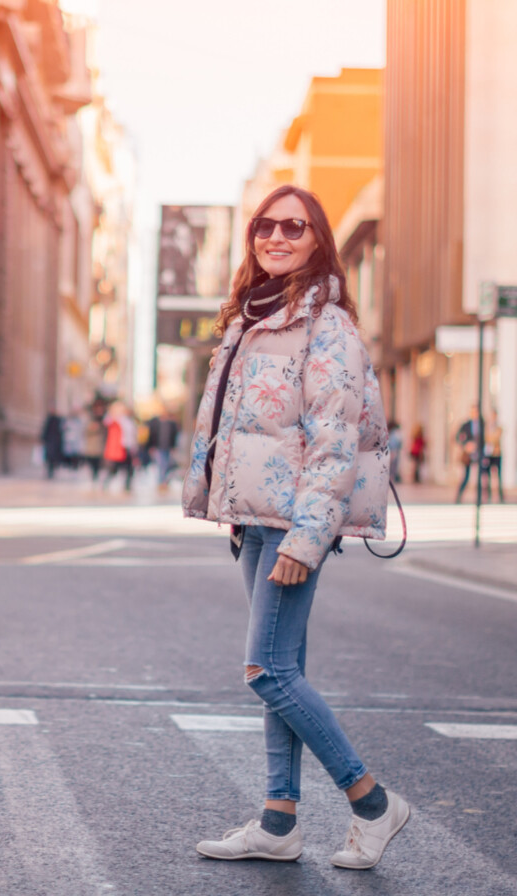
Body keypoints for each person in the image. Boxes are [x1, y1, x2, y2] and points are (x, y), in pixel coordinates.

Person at [182, 184, 408, 871]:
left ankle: (373, 803)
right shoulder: (255, 316)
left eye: (294, 227)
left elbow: (334, 442)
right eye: (265, 226)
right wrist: (235, 507)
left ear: (318, 242)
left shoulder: (326, 326)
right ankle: (280, 821)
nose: (276, 237)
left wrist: (306, 541)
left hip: (294, 524)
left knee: (267, 670)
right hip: (258, 520)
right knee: (286, 668)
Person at [101, 401, 136, 492]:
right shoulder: (114, 420)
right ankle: (106, 483)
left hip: (127, 447)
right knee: (114, 468)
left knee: (129, 468)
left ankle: (127, 486)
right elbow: (106, 421)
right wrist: (113, 412)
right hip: (119, 448)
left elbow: (131, 434)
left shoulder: (128, 420)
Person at [453, 406, 482, 503]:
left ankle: (481, 498)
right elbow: (457, 437)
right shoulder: (465, 425)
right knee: (466, 476)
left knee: (482, 475)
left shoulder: (482, 424)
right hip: (468, 455)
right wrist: (466, 445)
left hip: (479, 453)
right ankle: (459, 496)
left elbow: (484, 438)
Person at [147, 407, 180, 488]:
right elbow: (152, 435)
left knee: (166, 464)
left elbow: (174, 436)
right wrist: (151, 446)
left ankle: (163, 480)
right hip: (159, 447)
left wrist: (173, 447)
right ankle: (162, 481)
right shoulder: (156, 424)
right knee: (161, 464)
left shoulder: (171, 424)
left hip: (168, 447)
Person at [482, 415, 505, 502]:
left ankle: (500, 496)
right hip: (488, 453)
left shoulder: (499, 428)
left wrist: (490, 438)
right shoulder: (486, 428)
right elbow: (485, 438)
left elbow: (495, 438)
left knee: (498, 475)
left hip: (496, 453)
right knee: (486, 475)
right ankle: (487, 495)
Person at [40, 411, 66, 480]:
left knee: (52, 457)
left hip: (54, 442)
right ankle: (50, 471)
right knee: (50, 457)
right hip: (51, 441)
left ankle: (51, 470)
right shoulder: (50, 420)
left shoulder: (58, 420)